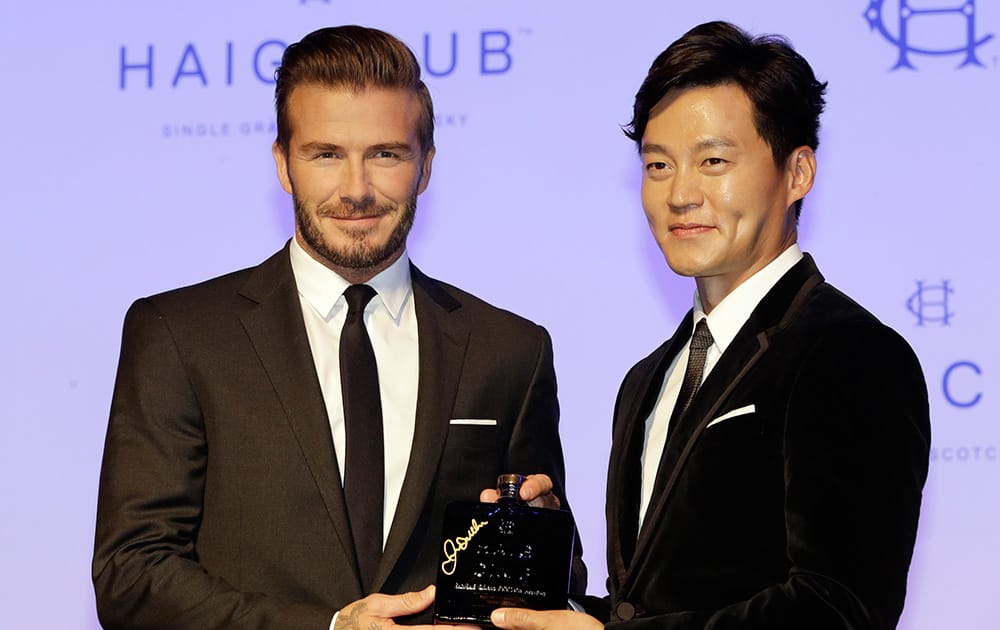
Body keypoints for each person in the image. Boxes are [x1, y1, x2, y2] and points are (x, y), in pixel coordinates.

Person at [93, 25, 584, 629]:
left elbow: (561, 589)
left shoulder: (510, 350)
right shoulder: (179, 334)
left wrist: (540, 548)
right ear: (283, 164)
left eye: (386, 154)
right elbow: (131, 574)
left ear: (426, 165)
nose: (356, 190)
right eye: (326, 154)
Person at [488, 20, 930, 630]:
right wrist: (536, 585)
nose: (680, 194)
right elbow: (644, 607)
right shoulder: (648, 378)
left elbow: (840, 607)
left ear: (797, 172)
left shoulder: (851, 354)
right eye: (659, 165)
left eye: (714, 160)